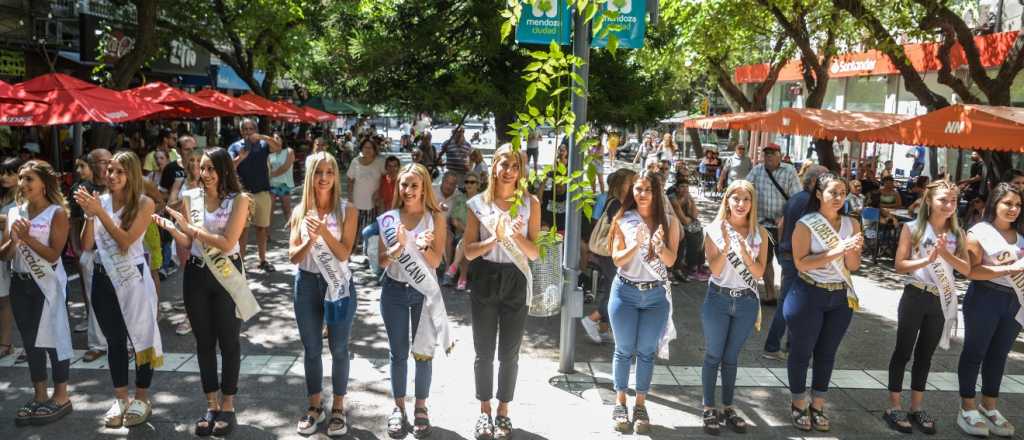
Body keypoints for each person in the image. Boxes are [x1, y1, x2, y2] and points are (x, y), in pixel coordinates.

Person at [153, 147, 258, 437]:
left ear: (224, 170)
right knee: (203, 343)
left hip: (226, 273)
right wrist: (172, 227)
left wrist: (191, 230)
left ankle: (228, 405)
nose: (206, 174)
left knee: (229, 342)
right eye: (202, 168)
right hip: (198, 274)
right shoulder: (191, 198)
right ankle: (210, 404)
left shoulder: (239, 200)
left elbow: (226, 243)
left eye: (212, 168)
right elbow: (187, 241)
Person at [75, 151, 163, 428]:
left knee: (141, 337)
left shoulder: (144, 203)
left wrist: (100, 212)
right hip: (103, 277)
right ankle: (120, 397)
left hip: (131, 277)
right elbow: (86, 245)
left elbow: (125, 241)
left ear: (132, 174)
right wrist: (90, 216)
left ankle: (141, 396)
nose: (111, 176)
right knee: (114, 340)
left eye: (118, 172)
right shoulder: (98, 202)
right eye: (109, 170)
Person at [463, 144, 541, 440]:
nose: (508, 171)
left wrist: (515, 236)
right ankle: (484, 411)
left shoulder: (530, 203)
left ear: (521, 171)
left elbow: (534, 253)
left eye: (515, 166)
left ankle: (503, 411)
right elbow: (469, 252)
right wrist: (492, 240)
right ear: (493, 166)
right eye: (503, 164)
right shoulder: (478, 204)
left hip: (516, 278)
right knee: (484, 351)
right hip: (484, 276)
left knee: (510, 353)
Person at [882, 180, 969, 435]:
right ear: (929, 201)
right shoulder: (913, 228)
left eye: (953, 201)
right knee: (903, 351)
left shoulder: (958, 234)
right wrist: (927, 259)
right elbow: (899, 265)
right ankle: (894, 405)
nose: (949, 205)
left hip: (940, 300)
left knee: (925, 355)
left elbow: (966, 270)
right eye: (943, 200)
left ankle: (916, 406)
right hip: (915, 295)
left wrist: (945, 255)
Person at [376, 163, 451, 439]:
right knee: (397, 353)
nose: (407, 190)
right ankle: (398, 408)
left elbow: (434, 262)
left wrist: (425, 246)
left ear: (424, 189)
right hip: (394, 290)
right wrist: (397, 247)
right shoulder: (388, 218)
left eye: (414, 186)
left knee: (422, 354)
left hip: (423, 291)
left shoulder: (435, 219)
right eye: (404, 185)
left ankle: (421, 407)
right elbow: (381, 261)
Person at [288, 152, 359, 437]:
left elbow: (344, 252)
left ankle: (339, 408)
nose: (324, 178)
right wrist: (309, 240)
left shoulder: (347, 210)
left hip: (338, 285)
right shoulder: (299, 211)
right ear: (310, 177)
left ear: (336, 176)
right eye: (319, 172)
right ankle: (315, 407)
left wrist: (324, 235)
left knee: (339, 349)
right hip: (306, 284)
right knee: (312, 349)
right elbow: (293, 256)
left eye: (330, 172)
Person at [786, 173, 863, 433]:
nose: (839, 198)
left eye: (843, 193)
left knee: (827, 354)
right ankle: (798, 403)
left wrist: (851, 251)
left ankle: (817, 405)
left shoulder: (852, 224)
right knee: (801, 352)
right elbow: (801, 263)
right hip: (809, 294)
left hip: (839, 296)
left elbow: (852, 266)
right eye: (833, 192)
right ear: (819, 194)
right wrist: (840, 249)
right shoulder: (806, 224)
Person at [605, 170, 679, 434]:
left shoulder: (669, 222)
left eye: (647, 189)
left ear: (656, 192)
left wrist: (659, 249)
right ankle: (620, 402)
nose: (642, 194)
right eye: (638, 189)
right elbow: (616, 259)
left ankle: (640, 404)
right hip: (625, 293)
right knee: (623, 350)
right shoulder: (624, 219)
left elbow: (671, 262)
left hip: (655, 296)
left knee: (647, 351)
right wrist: (636, 245)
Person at [2, 160, 74, 426]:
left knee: (53, 340)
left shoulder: (56, 213)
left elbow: (55, 254)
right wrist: (14, 240)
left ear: (44, 183)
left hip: (47, 285)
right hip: (20, 284)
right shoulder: (14, 212)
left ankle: (61, 395)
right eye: (21, 178)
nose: (23, 183)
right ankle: (39, 394)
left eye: (29, 178)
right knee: (31, 342)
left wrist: (28, 238)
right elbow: (5, 254)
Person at [701, 180, 768, 435]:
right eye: (736, 198)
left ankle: (728, 406)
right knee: (713, 355)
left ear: (752, 203)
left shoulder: (758, 232)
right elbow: (716, 269)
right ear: (727, 200)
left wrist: (746, 253)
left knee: (731, 358)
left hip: (746, 302)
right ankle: (709, 407)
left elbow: (760, 273)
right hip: (718, 299)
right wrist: (728, 245)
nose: (741, 204)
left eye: (746, 199)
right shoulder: (714, 229)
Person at [957, 183, 1023, 437]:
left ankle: (989, 406)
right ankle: (967, 407)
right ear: (994, 203)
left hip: (1015, 301)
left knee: (999, 355)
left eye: (1017, 205)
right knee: (975, 352)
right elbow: (970, 271)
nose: (1013, 209)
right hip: (985, 297)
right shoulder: (979, 233)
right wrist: (1009, 270)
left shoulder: (1021, 234)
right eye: (1008, 203)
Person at [581, 169, 636, 342]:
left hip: (611, 253)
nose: (634, 186)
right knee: (619, 293)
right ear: (621, 184)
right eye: (631, 183)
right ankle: (592, 319)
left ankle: (604, 330)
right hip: (611, 253)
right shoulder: (615, 204)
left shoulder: (617, 202)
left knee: (612, 289)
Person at [746, 143, 801, 305]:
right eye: (766, 153)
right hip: (762, 224)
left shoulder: (789, 171)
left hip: (784, 225)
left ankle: (787, 295)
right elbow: (745, 188)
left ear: (780, 155)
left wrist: (785, 216)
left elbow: (796, 198)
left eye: (772, 153)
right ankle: (770, 295)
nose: (768, 156)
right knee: (765, 260)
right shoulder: (757, 170)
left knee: (786, 261)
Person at [228, 118, 280, 273]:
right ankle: (241, 262)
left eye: (251, 128)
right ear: (241, 131)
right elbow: (229, 166)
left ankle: (263, 260)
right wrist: (240, 158)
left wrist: (263, 137)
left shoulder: (263, 144)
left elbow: (278, 147)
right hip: (243, 194)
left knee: (262, 228)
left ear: (255, 130)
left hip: (262, 192)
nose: (248, 132)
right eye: (245, 129)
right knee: (242, 230)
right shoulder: (235, 146)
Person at [442, 171, 483, 291]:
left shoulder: (483, 200)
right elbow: (454, 220)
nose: (469, 184)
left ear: (478, 185)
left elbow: (484, 221)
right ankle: (462, 278)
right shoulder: (460, 199)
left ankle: (454, 268)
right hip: (462, 234)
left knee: (466, 241)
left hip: (479, 235)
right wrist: (467, 230)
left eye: (472, 182)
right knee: (465, 242)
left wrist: (471, 231)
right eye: (467, 182)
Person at [347, 137, 386, 253]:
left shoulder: (380, 162)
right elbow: (350, 179)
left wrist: (380, 192)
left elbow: (386, 177)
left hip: (372, 203)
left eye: (370, 148)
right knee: (353, 229)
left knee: (369, 231)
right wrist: (350, 197)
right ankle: (350, 251)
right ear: (361, 148)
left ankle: (367, 254)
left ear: (375, 149)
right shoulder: (355, 161)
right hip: (357, 202)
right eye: (365, 147)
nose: (368, 150)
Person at [0, 158, 20, 362]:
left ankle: (6, 343)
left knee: (3, 299)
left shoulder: (23, 199)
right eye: (3, 173)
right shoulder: (3, 198)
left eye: (10, 173)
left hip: (9, 251)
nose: (4, 177)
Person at [269, 132, 296, 225]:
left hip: (284, 185)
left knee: (287, 210)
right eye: (273, 138)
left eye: (277, 138)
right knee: (269, 211)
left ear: (282, 140)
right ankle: (266, 236)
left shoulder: (289, 151)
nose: (275, 140)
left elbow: (285, 167)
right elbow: (268, 168)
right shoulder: (270, 154)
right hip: (272, 185)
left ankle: (294, 233)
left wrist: (271, 174)